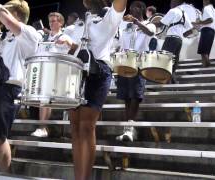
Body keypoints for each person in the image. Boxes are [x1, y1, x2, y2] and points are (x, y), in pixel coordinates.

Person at [0, 0, 40, 172]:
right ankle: (6, 174)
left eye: (7, 11)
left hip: (9, 87)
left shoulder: (29, 32)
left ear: (16, 14)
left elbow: (8, 22)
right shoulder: (6, 36)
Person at [69, 0, 126, 179]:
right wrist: (69, 45)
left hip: (98, 70)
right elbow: (77, 48)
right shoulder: (80, 22)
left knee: (86, 126)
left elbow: (120, 5)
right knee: (75, 126)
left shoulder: (108, 16)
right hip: (76, 71)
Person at [116, 1, 156, 142]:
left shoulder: (149, 23)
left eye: (137, 7)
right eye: (132, 7)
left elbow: (151, 32)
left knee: (135, 96)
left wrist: (137, 23)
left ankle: (131, 127)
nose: (133, 9)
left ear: (143, 10)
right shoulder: (125, 25)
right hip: (125, 62)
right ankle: (127, 128)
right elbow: (120, 43)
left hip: (139, 62)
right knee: (126, 97)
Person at [31, 12, 74, 138]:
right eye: (50, 21)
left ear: (61, 22)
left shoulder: (65, 36)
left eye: (55, 21)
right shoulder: (44, 38)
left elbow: (69, 51)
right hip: (43, 70)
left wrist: (66, 43)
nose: (52, 23)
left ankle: (43, 127)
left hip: (57, 72)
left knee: (45, 99)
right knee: (42, 100)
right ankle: (42, 127)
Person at [160, 0, 193, 82]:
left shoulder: (173, 11)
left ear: (176, 3)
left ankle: (166, 81)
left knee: (164, 60)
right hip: (179, 40)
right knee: (174, 62)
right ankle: (173, 82)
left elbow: (161, 23)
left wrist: (151, 22)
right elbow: (191, 30)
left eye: (171, 2)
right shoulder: (184, 13)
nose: (170, 4)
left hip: (171, 38)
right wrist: (182, 35)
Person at [192, 0, 215, 67]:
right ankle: (205, 67)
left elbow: (210, 20)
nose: (203, 1)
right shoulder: (214, 11)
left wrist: (198, 22)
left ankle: (207, 68)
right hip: (212, 31)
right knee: (206, 52)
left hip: (206, 30)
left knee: (203, 52)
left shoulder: (207, 8)